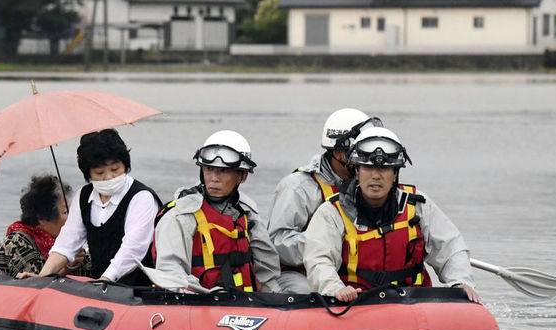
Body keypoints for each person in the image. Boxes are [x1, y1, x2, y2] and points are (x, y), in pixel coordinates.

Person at [303, 127, 481, 303]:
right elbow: (319, 260)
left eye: (384, 169)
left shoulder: (417, 205)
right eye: (367, 167)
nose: (376, 176)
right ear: (356, 171)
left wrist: (460, 282)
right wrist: (335, 288)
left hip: (414, 303)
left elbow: (450, 248)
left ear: (395, 173)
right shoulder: (332, 212)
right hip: (355, 305)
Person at [268, 108, 381, 293]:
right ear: (339, 153)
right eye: (360, 152)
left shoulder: (368, 184)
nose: (367, 159)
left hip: (346, 270)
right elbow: (277, 242)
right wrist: (329, 241)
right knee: (307, 292)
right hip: (298, 274)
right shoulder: (298, 187)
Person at [153, 130, 281, 293]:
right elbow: (170, 274)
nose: (214, 178)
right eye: (209, 169)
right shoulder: (180, 215)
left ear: (242, 176)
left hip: (247, 305)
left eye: (224, 171)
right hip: (198, 306)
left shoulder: (247, 213)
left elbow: (268, 273)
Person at [35, 128, 160, 285]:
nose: (108, 177)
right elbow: (67, 243)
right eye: (99, 173)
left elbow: (133, 249)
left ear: (126, 166)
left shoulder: (142, 197)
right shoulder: (83, 196)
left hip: (139, 290)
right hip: (100, 288)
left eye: (115, 169)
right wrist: (40, 279)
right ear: (88, 174)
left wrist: (106, 280)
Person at [0, 174, 75, 277]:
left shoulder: (65, 243)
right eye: (66, 212)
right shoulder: (17, 243)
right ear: (42, 218)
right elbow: (37, 285)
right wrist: (67, 267)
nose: (73, 218)